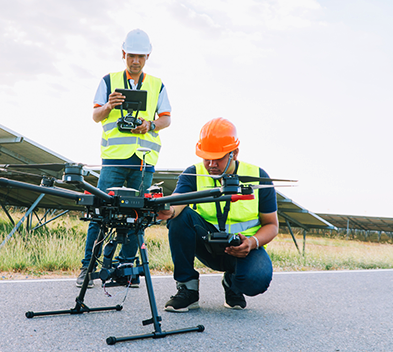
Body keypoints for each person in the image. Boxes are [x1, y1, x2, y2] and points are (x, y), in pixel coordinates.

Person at [76, 28, 172, 288]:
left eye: (141, 56)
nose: (136, 61)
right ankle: (88, 268)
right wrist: (109, 106)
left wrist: (149, 125)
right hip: (115, 161)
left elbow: (167, 118)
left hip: (143, 160)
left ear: (147, 56)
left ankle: (126, 269)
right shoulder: (108, 80)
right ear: (123, 54)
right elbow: (96, 116)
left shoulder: (156, 84)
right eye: (131, 55)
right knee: (101, 213)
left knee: (137, 215)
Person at [158, 117, 278, 311]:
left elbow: (272, 225)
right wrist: (167, 210)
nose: (212, 164)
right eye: (207, 157)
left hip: (243, 248)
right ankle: (187, 289)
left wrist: (252, 242)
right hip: (207, 245)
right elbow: (177, 203)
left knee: (257, 279)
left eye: (219, 157)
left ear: (235, 153)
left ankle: (233, 285)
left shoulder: (259, 177)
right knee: (180, 218)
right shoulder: (193, 173)